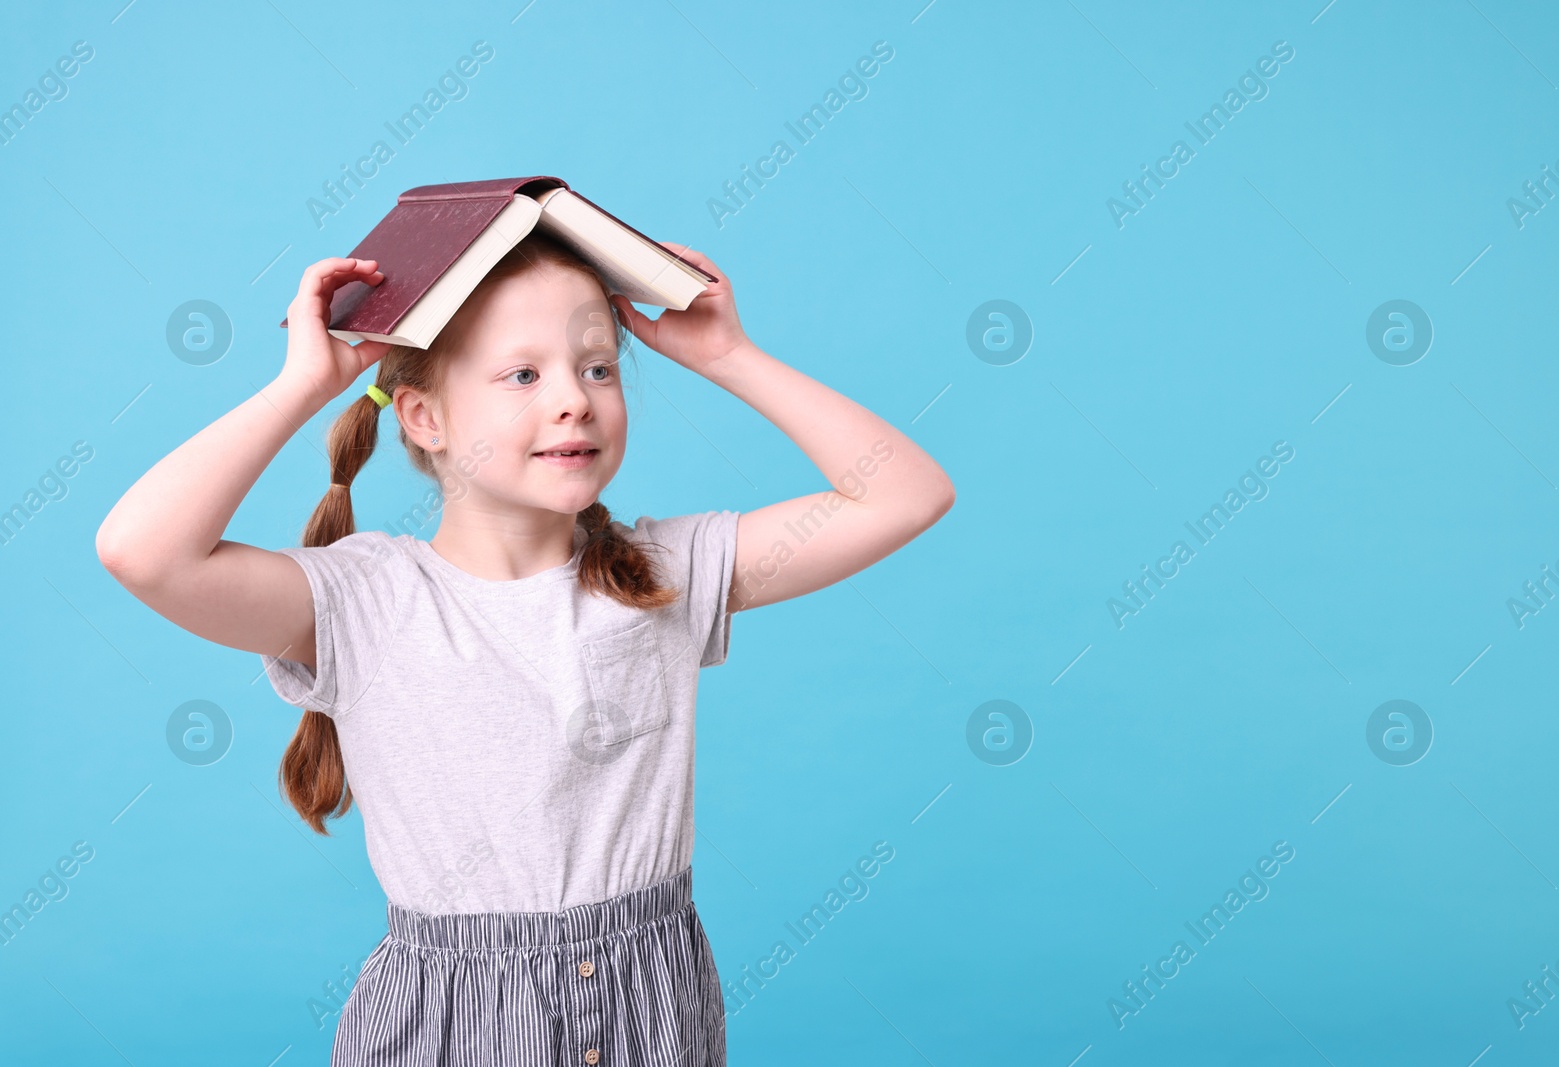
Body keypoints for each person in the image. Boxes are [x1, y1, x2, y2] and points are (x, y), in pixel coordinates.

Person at [94, 228, 955, 1065]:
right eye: (522, 374)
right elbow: (144, 551)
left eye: (599, 367)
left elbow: (905, 494)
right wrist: (302, 386)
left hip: (655, 1015)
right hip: (449, 1028)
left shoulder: (664, 574)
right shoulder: (366, 600)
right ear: (424, 417)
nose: (574, 397)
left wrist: (732, 358)